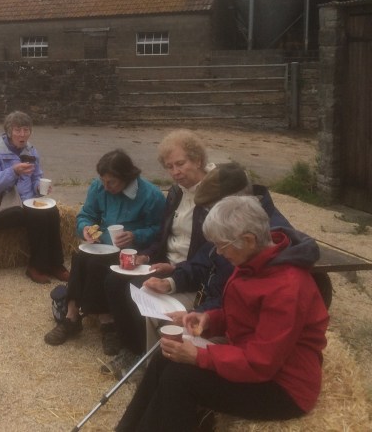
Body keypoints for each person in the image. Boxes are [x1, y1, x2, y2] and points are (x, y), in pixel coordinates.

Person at [116, 195, 329, 431]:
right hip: (254, 362)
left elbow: (261, 363)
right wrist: (210, 320)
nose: (218, 252)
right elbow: (246, 316)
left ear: (248, 240)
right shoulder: (254, 261)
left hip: (283, 386)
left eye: (221, 245)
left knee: (180, 378)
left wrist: (199, 356)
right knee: (164, 358)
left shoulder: (287, 286)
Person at [102, 161, 289, 378]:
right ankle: (152, 369)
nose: (208, 215)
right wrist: (171, 282)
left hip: (227, 320)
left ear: (233, 204)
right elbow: (203, 262)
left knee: (176, 343)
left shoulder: (261, 237)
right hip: (211, 301)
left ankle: (160, 372)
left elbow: (241, 305)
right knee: (145, 297)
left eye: (211, 209)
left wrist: (203, 313)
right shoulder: (231, 223)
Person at [44, 149, 166, 351]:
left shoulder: (151, 195)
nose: (106, 187)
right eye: (103, 181)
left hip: (133, 252)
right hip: (103, 246)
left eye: (112, 182)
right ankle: (71, 316)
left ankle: (107, 322)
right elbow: (86, 215)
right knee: (80, 255)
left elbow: (160, 230)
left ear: (127, 177)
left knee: (97, 263)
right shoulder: (99, 187)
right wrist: (85, 228)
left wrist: (135, 235)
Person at [0, 111, 67, 284]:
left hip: (27, 203)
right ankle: (36, 266)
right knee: (37, 215)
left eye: (26, 130)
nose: (22, 134)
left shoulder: (31, 151)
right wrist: (13, 172)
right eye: (17, 130)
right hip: (4, 207)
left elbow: (36, 177)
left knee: (52, 211)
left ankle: (56, 264)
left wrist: (39, 187)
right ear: (9, 132)